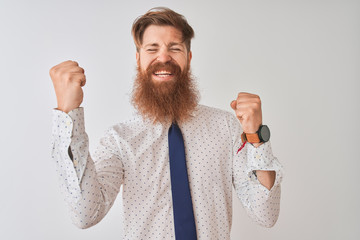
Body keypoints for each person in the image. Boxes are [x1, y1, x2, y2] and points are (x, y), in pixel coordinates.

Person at [50, 7, 283, 240]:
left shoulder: (226, 127)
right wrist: (68, 115)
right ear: (138, 59)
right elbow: (86, 214)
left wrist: (255, 137)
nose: (163, 58)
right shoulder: (118, 140)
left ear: (188, 58)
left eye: (175, 48)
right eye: (152, 49)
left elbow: (266, 214)